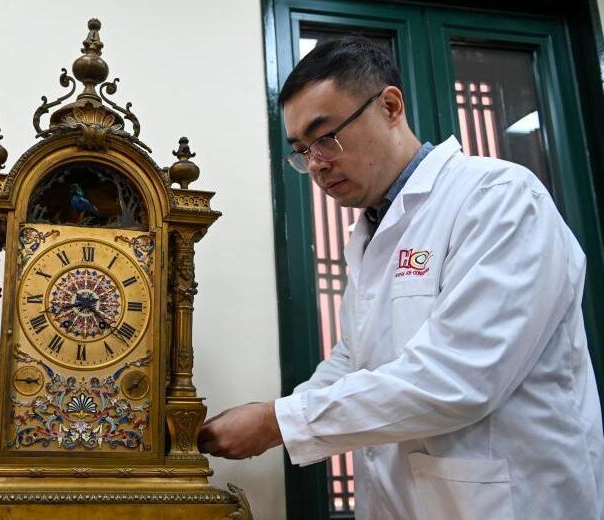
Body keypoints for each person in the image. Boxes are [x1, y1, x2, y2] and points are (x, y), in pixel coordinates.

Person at [197, 36, 604, 519]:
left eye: (325, 137)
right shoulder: (372, 232)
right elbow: (355, 360)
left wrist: (277, 422)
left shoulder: (499, 198)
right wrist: (278, 414)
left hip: (511, 502)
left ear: (390, 106)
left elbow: (459, 378)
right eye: (302, 151)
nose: (316, 164)